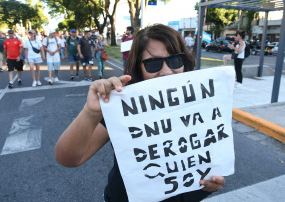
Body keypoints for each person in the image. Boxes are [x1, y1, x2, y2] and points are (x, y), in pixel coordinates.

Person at [55, 24, 225, 202]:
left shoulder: (203, 101)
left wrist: (215, 182)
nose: (166, 72)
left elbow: (211, 159)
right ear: (138, 67)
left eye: (175, 60)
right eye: (153, 64)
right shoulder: (124, 105)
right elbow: (69, 158)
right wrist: (91, 112)